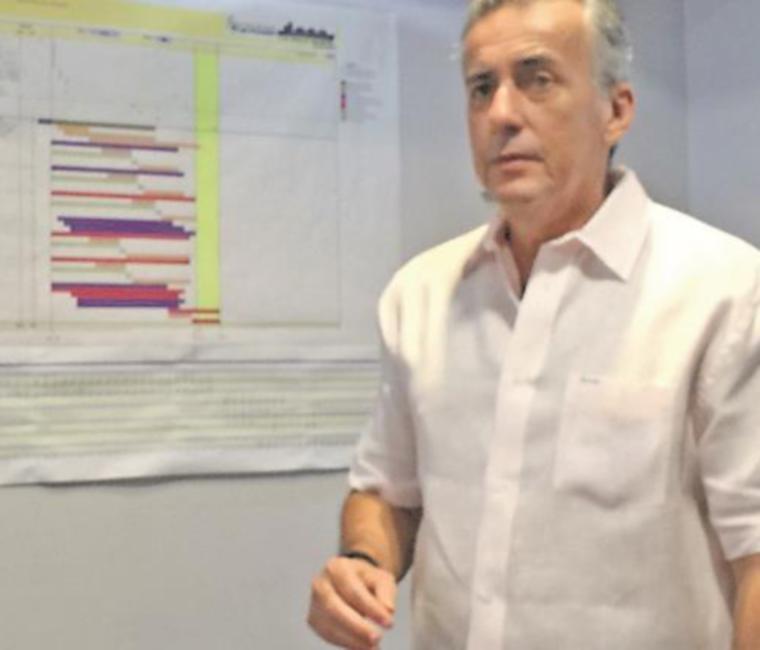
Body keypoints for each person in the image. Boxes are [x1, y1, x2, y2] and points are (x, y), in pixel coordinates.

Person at [308, 0, 760, 648]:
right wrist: (363, 561)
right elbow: (387, 492)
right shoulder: (421, 294)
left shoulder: (725, 290)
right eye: (481, 88)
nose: (501, 113)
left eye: (537, 79)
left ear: (616, 110)